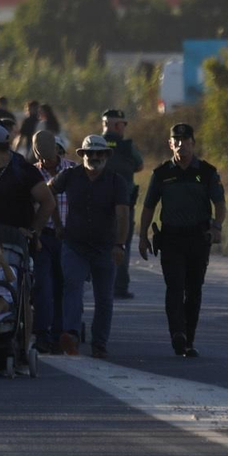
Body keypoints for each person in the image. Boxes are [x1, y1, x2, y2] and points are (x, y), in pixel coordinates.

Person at [137, 124, 223, 357]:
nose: (181, 144)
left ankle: (189, 339)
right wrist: (143, 236)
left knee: (193, 290)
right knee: (175, 287)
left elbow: (220, 203)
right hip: (171, 238)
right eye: (176, 140)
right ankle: (177, 334)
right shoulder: (162, 174)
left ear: (193, 143)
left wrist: (217, 227)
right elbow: (148, 207)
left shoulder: (206, 172)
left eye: (185, 140)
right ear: (170, 144)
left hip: (198, 238)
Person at [51, 135, 132, 358]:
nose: (94, 157)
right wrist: (57, 223)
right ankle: (71, 335)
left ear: (106, 155)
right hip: (74, 244)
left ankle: (99, 343)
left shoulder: (116, 181)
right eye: (89, 153)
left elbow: (123, 215)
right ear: (82, 155)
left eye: (99, 153)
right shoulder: (69, 175)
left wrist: (119, 245)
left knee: (104, 297)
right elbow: (47, 193)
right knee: (72, 287)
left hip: (105, 247)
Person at [31, 128, 73, 353]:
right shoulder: (31, 173)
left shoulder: (72, 170)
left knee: (63, 287)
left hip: (68, 238)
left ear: (57, 150)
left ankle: (59, 335)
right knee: (42, 286)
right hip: (43, 236)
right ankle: (42, 334)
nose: (44, 158)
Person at [103, 109, 143, 299]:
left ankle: (102, 284)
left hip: (100, 203)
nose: (124, 128)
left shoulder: (96, 144)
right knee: (122, 243)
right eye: (123, 124)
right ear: (117, 125)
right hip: (124, 204)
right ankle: (119, 287)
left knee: (100, 244)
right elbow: (140, 165)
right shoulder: (127, 146)